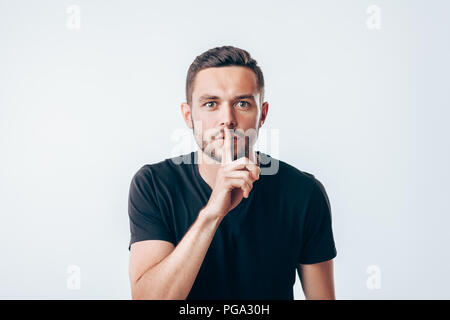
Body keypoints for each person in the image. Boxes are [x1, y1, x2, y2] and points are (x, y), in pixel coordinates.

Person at [127, 46, 337, 300]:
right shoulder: (153, 185)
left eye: (242, 103)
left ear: (263, 115)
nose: (227, 119)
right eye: (211, 104)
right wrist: (212, 214)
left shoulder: (304, 193)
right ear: (188, 115)